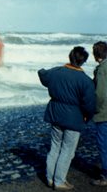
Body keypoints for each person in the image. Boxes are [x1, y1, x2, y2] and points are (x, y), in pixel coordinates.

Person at [38, 46, 96, 190]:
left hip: (55, 113)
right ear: (83, 61)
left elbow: (42, 73)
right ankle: (59, 181)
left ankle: (50, 178)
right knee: (67, 150)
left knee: (55, 147)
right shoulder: (85, 81)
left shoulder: (56, 72)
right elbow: (89, 105)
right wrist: (87, 117)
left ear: (70, 57)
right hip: (74, 118)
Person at [92, 41, 107, 186]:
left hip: (104, 113)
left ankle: (105, 176)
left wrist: (94, 109)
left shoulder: (102, 69)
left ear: (96, 55)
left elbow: (100, 94)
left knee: (103, 145)